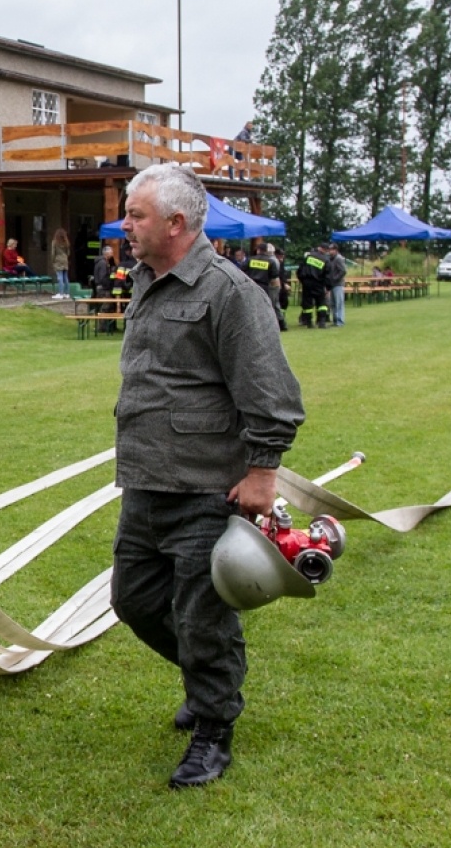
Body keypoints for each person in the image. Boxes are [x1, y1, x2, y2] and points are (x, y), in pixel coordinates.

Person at [111, 164, 304, 789]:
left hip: (205, 488)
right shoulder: (147, 280)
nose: (125, 224)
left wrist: (262, 475)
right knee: (133, 601)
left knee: (202, 617)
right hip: (145, 483)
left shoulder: (229, 292)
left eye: (136, 215)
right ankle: (208, 676)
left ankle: (214, 726)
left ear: (176, 223)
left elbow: (272, 395)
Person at [246, 242, 283, 331]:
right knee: (265, 306)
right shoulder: (271, 261)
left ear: (258, 250)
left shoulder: (250, 260)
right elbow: (274, 276)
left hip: (251, 285)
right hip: (264, 286)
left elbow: (242, 270)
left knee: (251, 306)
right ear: (266, 251)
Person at [295, 245, 331, 328]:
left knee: (307, 304)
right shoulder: (326, 260)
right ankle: (322, 322)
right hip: (319, 283)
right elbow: (328, 275)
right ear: (325, 250)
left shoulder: (308, 257)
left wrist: (302, 281)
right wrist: (328, 287)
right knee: (321, 303)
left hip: (307, 283)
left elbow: (300, 270)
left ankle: (309, 323)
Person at [324, 242, 348, 327]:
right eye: (329, 250)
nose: (330, 251)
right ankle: (335, 320)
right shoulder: (331, 259)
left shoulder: (339, 258)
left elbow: (343, 271)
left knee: (339, 303)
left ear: (336, 250)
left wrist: (334, 278)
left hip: (338, 284)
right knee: (333, 303)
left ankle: (340, 321)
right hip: (332, 284)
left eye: (331, 250)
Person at [50, 228, 71, 296]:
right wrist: (65, 257)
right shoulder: (66, 242)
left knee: (60, 277)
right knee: (65, 277)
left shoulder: (54, 242)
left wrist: (53, 261)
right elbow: (68, 253)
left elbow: (53, 253)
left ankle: (61, 293)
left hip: (58, 259)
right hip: (65, 259)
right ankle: (67, 293)